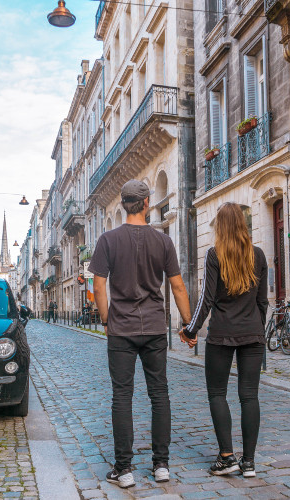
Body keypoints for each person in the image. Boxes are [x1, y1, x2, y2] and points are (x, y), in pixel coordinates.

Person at [89, 179, 191, 489]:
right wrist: (188, 323)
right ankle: (161, 465)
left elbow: (98, 286)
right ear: (146, 204)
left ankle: (124, 469)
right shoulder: (163, 242)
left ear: (123, 204)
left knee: (122, 396)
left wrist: (106, 320)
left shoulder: (108, 240)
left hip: (121, 328)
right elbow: (177, 286)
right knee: (159, 394)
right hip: (155, 328)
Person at [180, 202, 268, 478]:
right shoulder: (259, 255)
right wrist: (256, 330)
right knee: (249, 396)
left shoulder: (214, 255)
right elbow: (263, 301)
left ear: (219, 227)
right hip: (253, 334)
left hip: (220, 335)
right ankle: (249, 462)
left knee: (217, 393)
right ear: (243, 224)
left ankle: (227, 456)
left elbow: (206, 299)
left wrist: (190, 330)